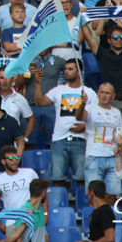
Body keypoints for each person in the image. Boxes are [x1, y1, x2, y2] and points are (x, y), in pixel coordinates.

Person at [34, 59, 97, 188]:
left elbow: (97, 118)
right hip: (59, 140)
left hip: (81, 140)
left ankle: (82, 206)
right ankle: (57, 207)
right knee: (57, 179)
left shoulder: (90, 93)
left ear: (79, 72)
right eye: (66, 69)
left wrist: (85, 126)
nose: (67, 71)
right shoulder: (58, 90)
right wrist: (37, 83)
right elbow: (39, 102)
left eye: (71, 69)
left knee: (81, 179)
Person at [74, 84, 122, 200]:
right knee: (93, 196)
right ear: (97, 93)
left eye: (107, 93)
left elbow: (121, 135)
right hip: (94, 157)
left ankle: (110, 218)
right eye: (102, 92)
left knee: (112, 196)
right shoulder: (90, 108)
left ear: (113, 96)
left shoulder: (117, 112)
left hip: (113, 158)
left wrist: (120, 154)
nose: (104, 95)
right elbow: (79, 117)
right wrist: (82, 104)